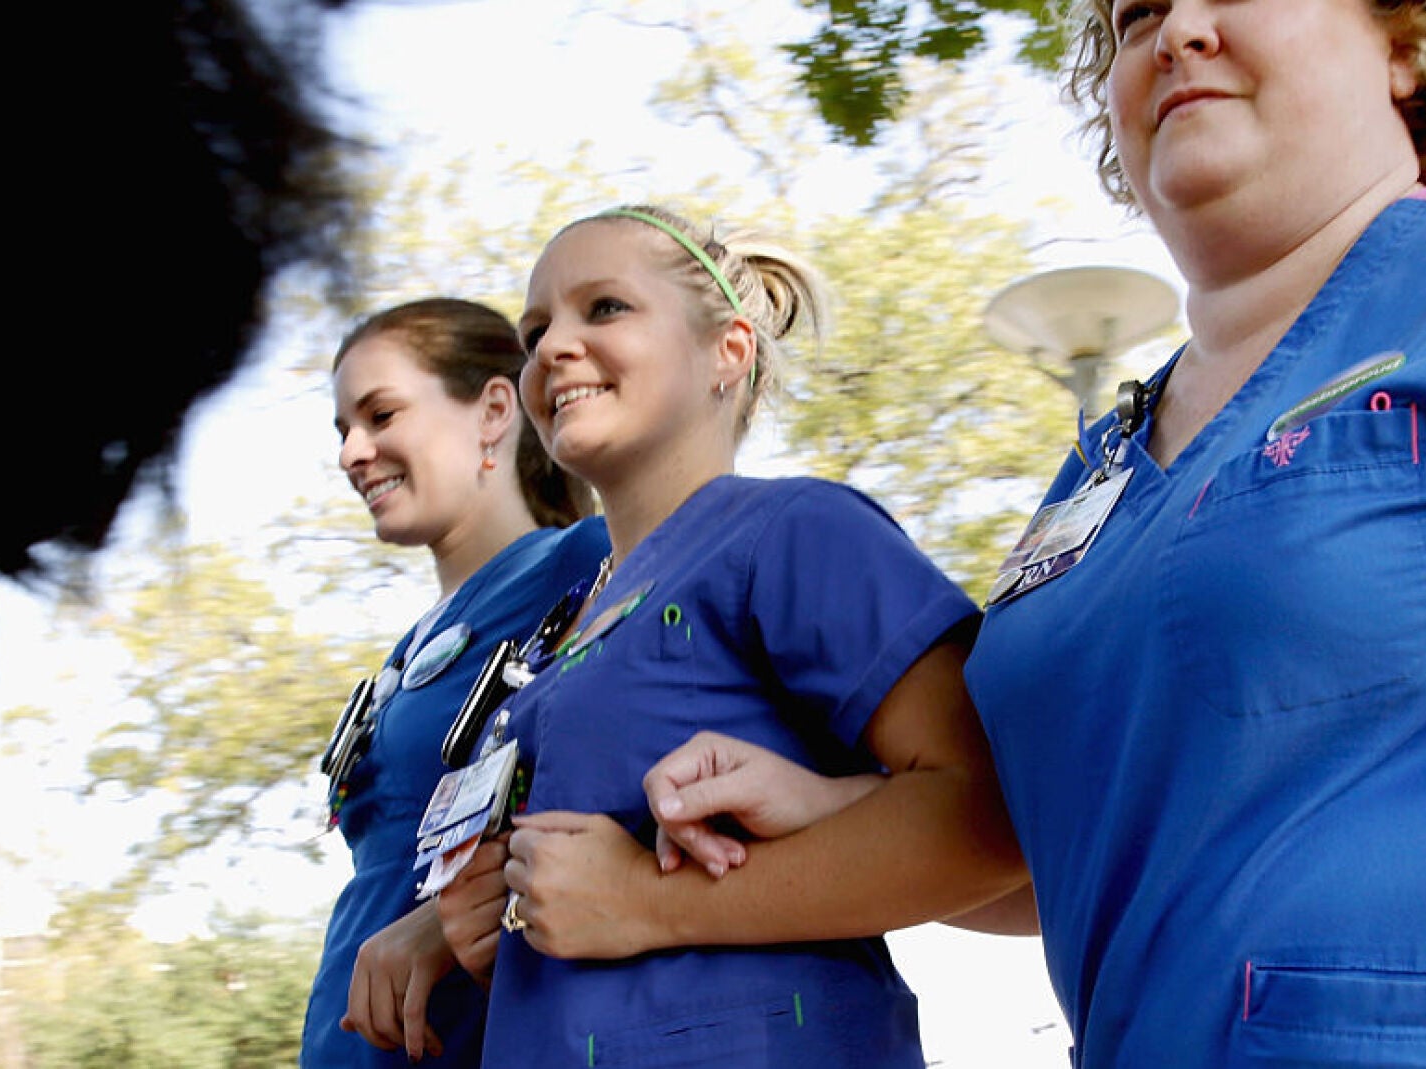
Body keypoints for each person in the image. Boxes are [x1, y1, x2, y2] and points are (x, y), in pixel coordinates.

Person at [647, 1, 1426, 1065]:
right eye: (1135, 15)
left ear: (1407, 42)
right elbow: (1076, 851)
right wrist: (829, 807)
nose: (1178, 31)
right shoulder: (1091, 482)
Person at [430, 204, 1027, 1067]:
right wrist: (465, 917)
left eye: (603, 308)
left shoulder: (796, 530)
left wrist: (644, 900)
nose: (553, 346)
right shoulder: (550, 638)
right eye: (534, 329)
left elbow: (997, 817)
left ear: (729, 351)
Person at [302, 298, 610, 1067]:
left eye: (380, 414)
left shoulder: (589, 561)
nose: (352, 453)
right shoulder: (409, 649)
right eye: (343, 431)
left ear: (494, 410)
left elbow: (637, 783)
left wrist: (462, 912)